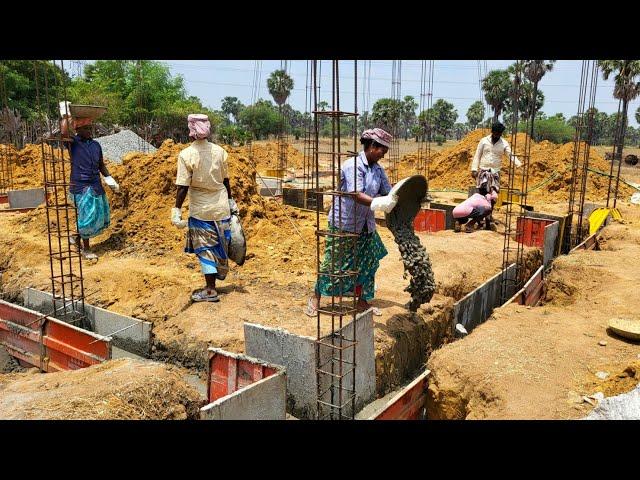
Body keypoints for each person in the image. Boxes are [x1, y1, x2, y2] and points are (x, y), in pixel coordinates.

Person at [304, 128, 398, 318]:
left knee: (368, 263)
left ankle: (363, 302)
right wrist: (378, 202)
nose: (383, 154)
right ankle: (315, 298)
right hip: (345, 223)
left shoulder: (378, 170)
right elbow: (355, 194)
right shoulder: (353, 165)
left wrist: (400, 196)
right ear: (372, 146)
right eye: (382, 150)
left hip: (366, 225)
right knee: (333, 263)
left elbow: (389, 192)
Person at [171, 114, 238, 303]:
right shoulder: (220, 152)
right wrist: (231, 201)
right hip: (221, 206)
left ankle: (210, 289)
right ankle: (215, 280)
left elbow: (182, 186)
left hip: (201, 210)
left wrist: (177, 210)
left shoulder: (186, 155)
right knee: (218, 245)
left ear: (191, 131)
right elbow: (226, 181)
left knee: (205, 250)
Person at [59, 102, 119, 260]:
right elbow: (64, 134)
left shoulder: (95, 145)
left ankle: (76, 237)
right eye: (86, 129)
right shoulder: (74, 144)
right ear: (78, 129)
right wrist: (65, 116)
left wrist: (109, 179)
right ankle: (86, 249)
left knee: (99, 214)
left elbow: (101, 165)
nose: (90, 131)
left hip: (95, 184)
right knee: (87, 215)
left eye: (90, 128)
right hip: (81, 186)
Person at [470, 122, 521, 230]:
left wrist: (518, 163)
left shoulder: (504, 143)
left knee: (493, 198)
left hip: (495, 173)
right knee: (482, 196)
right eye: (496, 133)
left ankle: (488, 219)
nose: (497, 135)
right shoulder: (484, 141)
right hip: (483, 171)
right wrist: (474, 169)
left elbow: (510, 154)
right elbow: (477, 155)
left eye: (499, 133)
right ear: (492, 131)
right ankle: (479, 220)